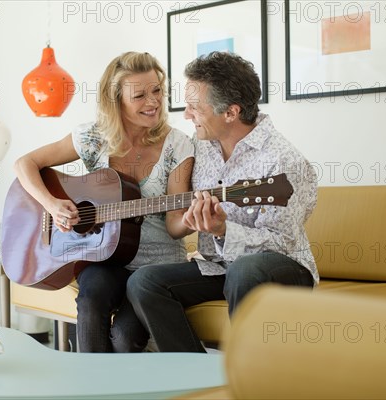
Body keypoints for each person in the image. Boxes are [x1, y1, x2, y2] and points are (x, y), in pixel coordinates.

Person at [126, 51, 319, 352]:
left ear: (230, 113)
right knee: (144, 282)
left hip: (284, 267)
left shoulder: (284, 160)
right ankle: (196, 377)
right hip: (221, 267)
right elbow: (178, 211)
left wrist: (223, 231)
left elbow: (281, 244)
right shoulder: (202, 146)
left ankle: (247, 379)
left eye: (194, 108)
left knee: (245, 270)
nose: (187, 115)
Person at [13, 52, 194, 352]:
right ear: (116, 101)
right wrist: (51, 204)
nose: (153, 102)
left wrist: (192, 218)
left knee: (124, 336)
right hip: (103, 257)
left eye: (157, 90)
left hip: (156, 268)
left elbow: (175, 224)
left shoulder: (177, 144)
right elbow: (24, 164)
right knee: (90, 300)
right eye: (139, 95)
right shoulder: (93, 137)